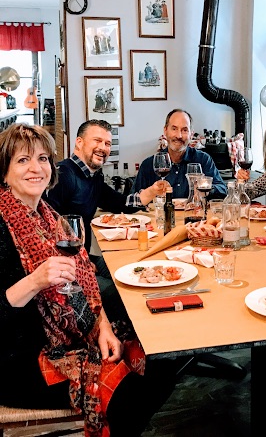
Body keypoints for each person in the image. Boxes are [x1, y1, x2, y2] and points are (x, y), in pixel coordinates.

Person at [0, 124, 180, 436]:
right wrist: (34, 281)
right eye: (22, 160)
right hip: (20, 359)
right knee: (131, 386)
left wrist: (104, 329)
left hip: (70, 335)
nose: (35, 168)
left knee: (162, 352)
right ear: (3, 171)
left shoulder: (50, 216)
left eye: (43, 159)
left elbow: (86, 287)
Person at [45, 120, 166, 319]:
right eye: (97, 140)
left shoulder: (93, 176)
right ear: (79, 142)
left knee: (133, 270)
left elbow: (119, 203)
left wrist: (152, 191)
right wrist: (79, 263)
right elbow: (49, 230)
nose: (103, 148)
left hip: (82, 258)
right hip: (65, 269)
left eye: (107, 144)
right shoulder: (63, 174)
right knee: (121, 293)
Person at [132, 108, 227, 199]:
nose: (179, 135)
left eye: (184, 130)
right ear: (165, 131)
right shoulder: (148, 165)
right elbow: (132, 201)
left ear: (191, 134)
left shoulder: (203, 160)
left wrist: (207, 190)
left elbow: (222, 189)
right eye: (174, 129)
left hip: (194, 214)